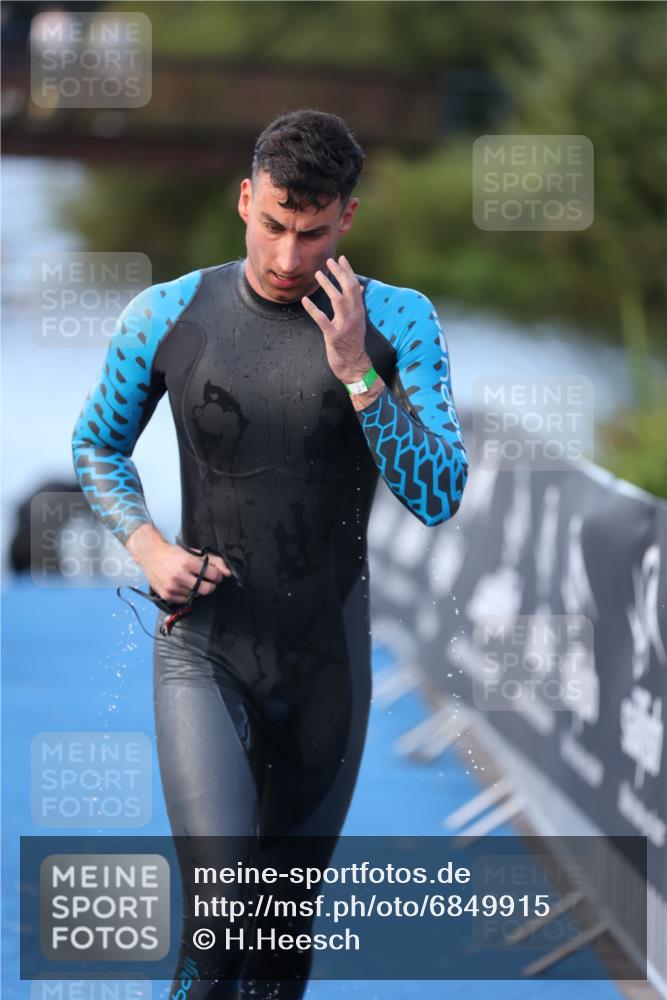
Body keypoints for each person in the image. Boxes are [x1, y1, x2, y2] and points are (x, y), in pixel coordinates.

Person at [71, 108, 469, 1000]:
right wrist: (147, 546)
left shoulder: (397, 321)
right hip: (206, 649)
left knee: (278, 949)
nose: (288, 258)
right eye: (274, 225)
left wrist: (356, 371)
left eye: (313, 233)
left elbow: (439, 493)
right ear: (246, 199)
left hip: (327, 663)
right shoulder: (166, 313)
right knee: (219, 918)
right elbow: (96, 445)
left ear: (346, 219)